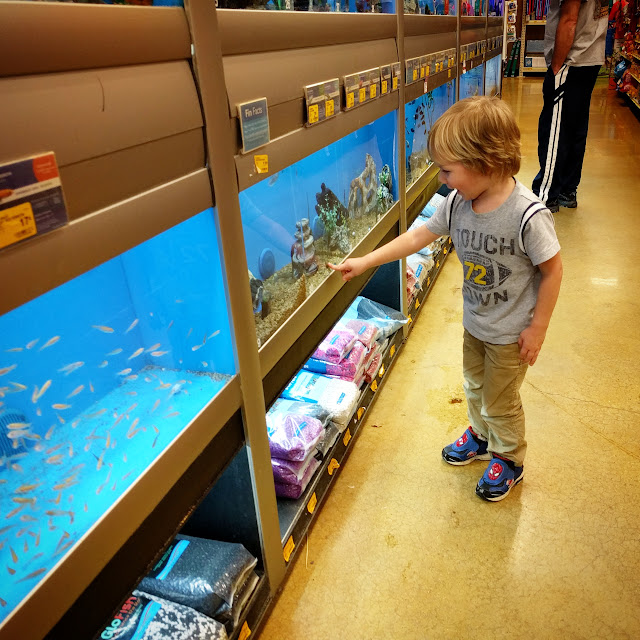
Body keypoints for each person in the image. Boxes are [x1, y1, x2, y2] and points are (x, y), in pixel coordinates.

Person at [329, 97, 563, 502]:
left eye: (448, 170)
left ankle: (509, 458)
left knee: (501, 399)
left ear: (485, 163)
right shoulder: (457, 203)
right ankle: (481, 435)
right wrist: (367, 261)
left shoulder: (528, 215)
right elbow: (418, 236)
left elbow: (553, 270)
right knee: (475, 384)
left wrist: (537, 328)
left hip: (511, 334)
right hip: (476, 324)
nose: (441, 179)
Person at [532, 0, 609, 212]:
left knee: (554, 128)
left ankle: (546, 194)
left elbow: (569, 19)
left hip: (571, 58)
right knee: (575, 126)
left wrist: (557, 66)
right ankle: (567, 189)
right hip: (590, 55)